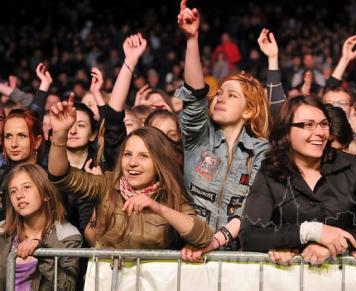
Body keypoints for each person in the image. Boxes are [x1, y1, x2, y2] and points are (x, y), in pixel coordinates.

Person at [239, 96, 356, 267]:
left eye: (323, 124)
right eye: (308, 125)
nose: (319, 132)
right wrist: (311, 232)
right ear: (286, 131)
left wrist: (339, 242)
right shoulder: (271, 172)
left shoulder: (353, 166)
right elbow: (249, 236)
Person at [47, 95, 212, 249]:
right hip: (108, 278)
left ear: (159, 162)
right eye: (128, 154)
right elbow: (61, 176)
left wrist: (159, 208)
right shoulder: (107, 184)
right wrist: (60, 134)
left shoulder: (171, 196)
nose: (133, 163)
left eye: (143, 156)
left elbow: (203, 237)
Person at [177, 1, 270, 260]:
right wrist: (192, 39)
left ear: (249, 110)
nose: (219, 98)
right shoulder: (199, 138)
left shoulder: (261, 151)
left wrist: (215, 243)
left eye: (231, 95)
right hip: (188, 251)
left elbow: (253, 209)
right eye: (219, 93)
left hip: (238, 258)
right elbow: (195, 96)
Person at [0, 163, 82, 291]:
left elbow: (67, 287)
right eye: (13, 191)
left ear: (46, 194)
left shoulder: (67, 236)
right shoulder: (2, 232)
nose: (19, 195)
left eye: (26, 187)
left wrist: (43, 254)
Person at [0, 109, 45, 221]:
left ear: (37, 141)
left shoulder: (48, 179)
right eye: (8, 136)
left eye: (22, 136)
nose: (14, 144)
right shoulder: (2, 177)